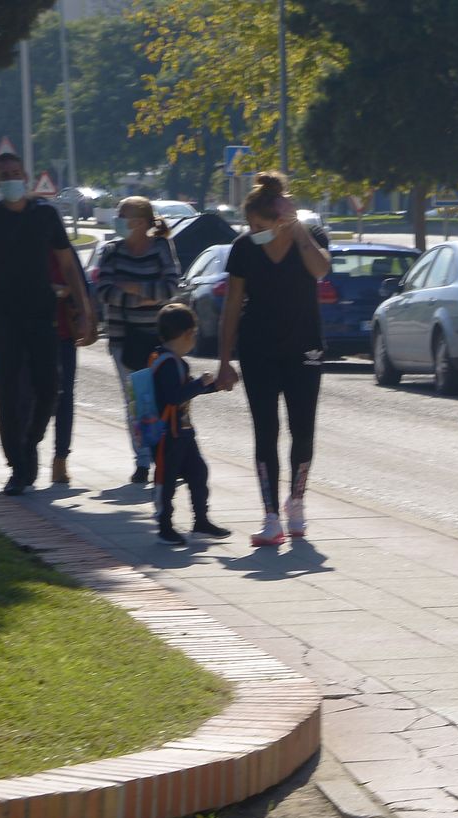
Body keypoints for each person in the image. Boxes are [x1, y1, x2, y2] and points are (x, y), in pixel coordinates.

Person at [0, 152, 95, 495]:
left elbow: (69, 264)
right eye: (4, 175)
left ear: (26, 177)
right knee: (8, 394)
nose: (11, 179)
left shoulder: (45, 214)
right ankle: (17, 467)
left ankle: (30, 443)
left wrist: (84, 308)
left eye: (15, 173)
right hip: (2, 319)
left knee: (50, 390)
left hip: (42, 316)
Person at [213, 172, 331, 547]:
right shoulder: (245, 247)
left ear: (280, 219)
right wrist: (224, 360)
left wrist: (297, 231)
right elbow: (232, 304)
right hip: (258, 349)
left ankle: (296, 503)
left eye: (258, 224)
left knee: (303, 429)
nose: (252, 230)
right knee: (265, 431)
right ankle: (270, 517)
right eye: (248, 224)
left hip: (305, 347)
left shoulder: (308, 239)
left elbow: (321, 269)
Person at [96, 196, 182, 484]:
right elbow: (104, 291)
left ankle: (170, 455)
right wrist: (145, 295)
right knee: (136, 401)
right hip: (124, 340)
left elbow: (170, 288)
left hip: (159, 341)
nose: (119, 220)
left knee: (165, 399)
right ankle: (143, 460)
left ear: (142, 223)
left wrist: (131, 287)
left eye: (125, 215)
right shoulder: (111, 251)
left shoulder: (161, 248)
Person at [149, 303, 229, 546]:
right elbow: (174, 396)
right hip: (167, 435)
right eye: (194, 332)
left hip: (182, 433)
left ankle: (201, 522)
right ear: (187, 334)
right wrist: (200, 384)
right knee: (166, 480)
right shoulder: (167, 363)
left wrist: (212, 386)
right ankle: (165, 527)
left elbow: (185, 392)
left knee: (198, 472)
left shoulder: (174, 361)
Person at [48, 245, 95, 485]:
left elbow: (83, 290)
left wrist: (87, 318)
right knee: (36, 398)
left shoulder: (65, 251)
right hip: (33, 335)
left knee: (65, 398)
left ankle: (60, 459)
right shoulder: (26, 250)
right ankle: (26, 455)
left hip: (65, 335)